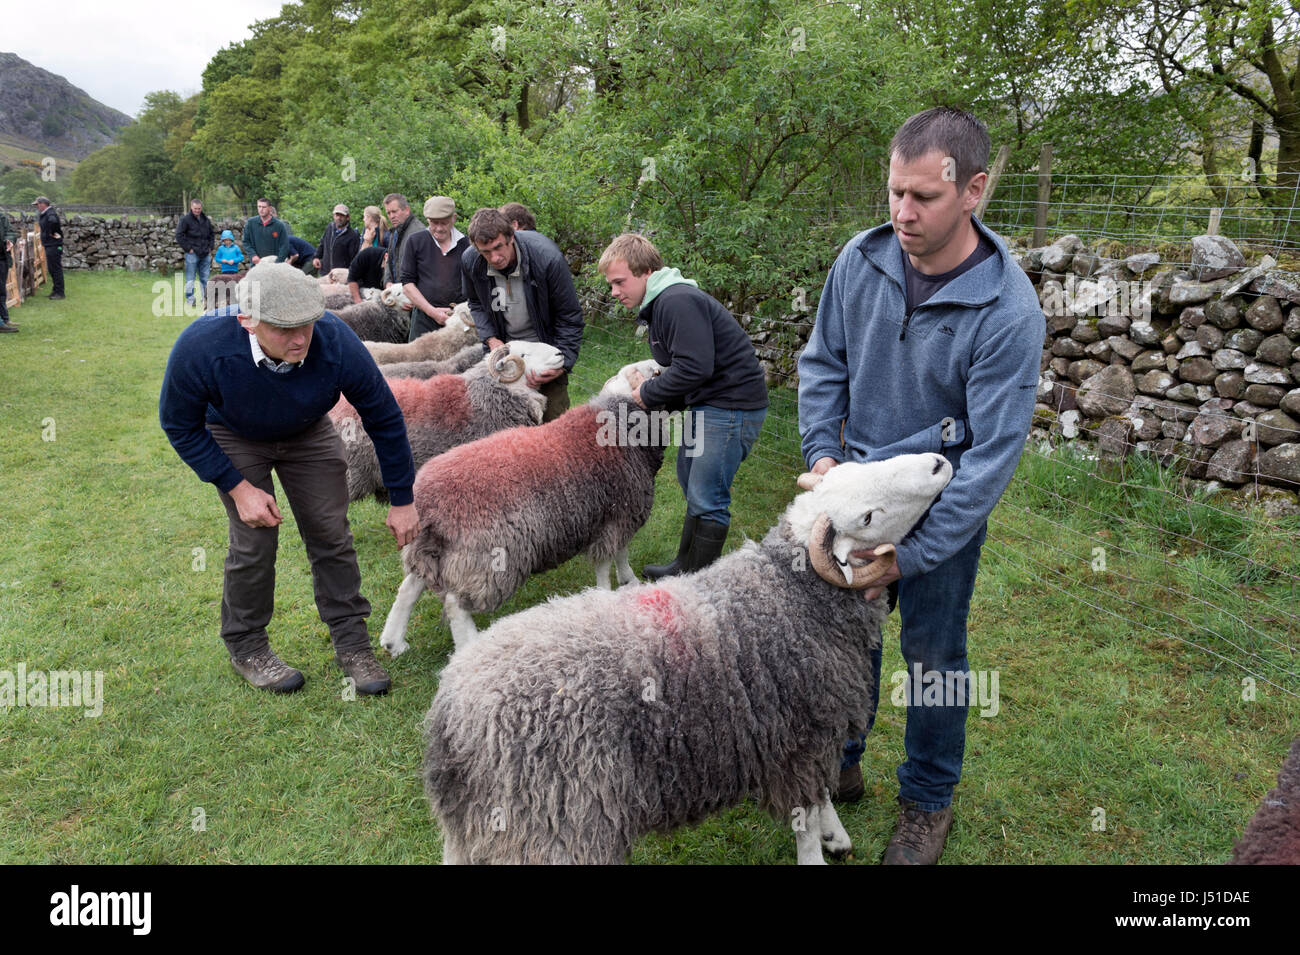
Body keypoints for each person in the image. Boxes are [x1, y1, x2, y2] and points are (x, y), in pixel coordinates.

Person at [797, 106, 1042, 864]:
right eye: (894, 193)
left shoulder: (1008, 310)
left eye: (923, 198)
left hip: (940, 504)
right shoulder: (859, 260)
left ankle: (927, 801)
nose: (902, 212)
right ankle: (844, 754)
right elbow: (822, 364)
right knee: (847, 633)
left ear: (972, 190)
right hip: (857, 488)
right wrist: (824, 458)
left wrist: (914, 554)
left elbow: (992, 455)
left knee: (934, 656)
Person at [159, 260, 419, 696]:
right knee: (254, 538)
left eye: (307, 325)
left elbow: (384, 416)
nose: (300, 338)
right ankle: (247, 645)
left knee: (330, 532)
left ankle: (352, 642)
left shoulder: (334, 339)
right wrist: (238, 488)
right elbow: (178, 424)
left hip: (308, 429)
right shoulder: (203, 347)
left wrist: (402, 498)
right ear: (247, 320)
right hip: (234, 432)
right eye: (284, 328)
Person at [599, 233, 768, 576]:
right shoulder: (660, 305)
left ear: (645, 272)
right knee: (690, 477)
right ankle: (683, 567)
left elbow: (695, 367)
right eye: (611, 284)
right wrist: (658, 400)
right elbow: (686, 368)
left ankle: (699, 585)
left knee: (708, 496)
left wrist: (646, 395)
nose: (614, 292)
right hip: (707, 403)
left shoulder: (676, 301)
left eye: (619, 282)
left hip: (731, 405)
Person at [460, 208, 583, 422]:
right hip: (505, 355)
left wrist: (562, 364)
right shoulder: (471, 261)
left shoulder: (547, 259)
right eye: (485, 252)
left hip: (545, 351)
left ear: (511, 236)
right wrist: (490, 338)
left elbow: (569, 316)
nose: (494, 257)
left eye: (498, 247)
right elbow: (476, 302)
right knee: (501, 425)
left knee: (552, 423)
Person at [401, 196, 469, 340]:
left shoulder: (467, 245)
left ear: (454, 218)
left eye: (443, 223)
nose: (438, 228)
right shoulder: (415, 241)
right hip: (424, 320)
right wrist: (431, 311)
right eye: (434, 223)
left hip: (459, 320)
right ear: (427, 220)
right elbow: (407, 283)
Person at [175, 198, 214, 307]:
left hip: (205, 253)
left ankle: (205, 300)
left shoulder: (205, 219)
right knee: (190, 278)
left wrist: (210, 247)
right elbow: (179, 235)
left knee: (205, 278)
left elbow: (211, 234)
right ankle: (190, 300)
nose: (197, 210)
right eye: (195, 208)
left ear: (201, 208)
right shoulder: (185, 220)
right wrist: (189, 249)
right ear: (191, 207)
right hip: (192, 254)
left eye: (199, 209)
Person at [383, 193, 423, 289]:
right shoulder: (394, 232)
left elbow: (424, 271)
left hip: (413, 294)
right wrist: (387, 282)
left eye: (394, 211)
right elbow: (389, 261)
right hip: (398, 291)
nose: (391, 216)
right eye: (388, 213)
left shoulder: (418, 232)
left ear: (406, 210)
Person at [241, 198, 291, 266]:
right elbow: (246, 242)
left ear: (270, 208)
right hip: (256, 264)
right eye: (259, 206)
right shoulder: (250, 223)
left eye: (264, 207)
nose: (261, 209)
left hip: (274, 265)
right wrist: (253, 255)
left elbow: (284, 246)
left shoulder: (279, 225)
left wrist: (278, 262)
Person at [313, 204, 360, 275]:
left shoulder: (352, 235)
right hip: (325, 272)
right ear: (333, 216)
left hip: (340, 275)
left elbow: (354, 259)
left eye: (341, 215)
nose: (338, 218)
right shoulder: (329, 227)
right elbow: (322, 243)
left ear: (347, 217)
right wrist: (316, 257)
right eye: (337, 215)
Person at [33, 196, 65, 299]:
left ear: (43, 204)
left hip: (53, 245)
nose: (37, 207)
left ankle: (60, 293)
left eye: (37, 204)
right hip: (51, 244)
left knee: (55, 269)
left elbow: (53, 222)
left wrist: (50, 234)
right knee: (52, 269)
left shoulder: (50, 213)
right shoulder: (47, 213)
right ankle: (56, 291)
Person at [1, 212, 16, 332]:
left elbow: (10, 232)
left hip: (2, 259)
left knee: (1, 290)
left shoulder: (2, 218)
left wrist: (9, 240)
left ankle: (4, 319)